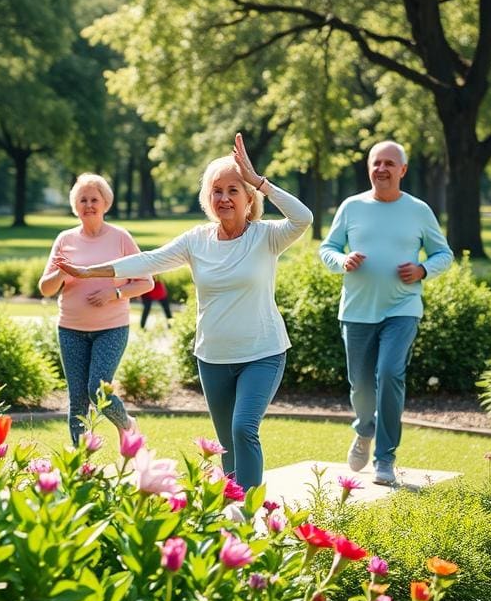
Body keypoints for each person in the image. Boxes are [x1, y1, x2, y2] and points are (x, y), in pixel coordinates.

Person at [56, 134, 312, 490]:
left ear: (248, 198)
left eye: (234, 190)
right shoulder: (197, 240)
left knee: (243, 429)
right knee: (227, 445)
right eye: (216, 191)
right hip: (213, 356)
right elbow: (147, 259)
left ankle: (253, 516)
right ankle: (232, 509)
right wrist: (88, 271)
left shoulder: (267, 237)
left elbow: (303, 218)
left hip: (263, 353)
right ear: (208, 199)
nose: (224, 198)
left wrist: (259, 181)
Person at [319, 140, 453, 486]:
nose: (382, 169)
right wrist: (341, 261)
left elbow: (444, 254)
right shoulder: (351, 207)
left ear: (403, 170)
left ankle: (385, 458)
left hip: (402, 308)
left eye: (389, 164)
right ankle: (365, 430)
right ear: (369, 168)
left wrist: (423, 270)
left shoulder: (419, 210)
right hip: (357, 310)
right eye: (376, 163)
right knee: (361, 387)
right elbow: (328, 248)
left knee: (391, 374)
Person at [39, 174, 153, 445]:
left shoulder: (120, 238)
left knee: (97, 390)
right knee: (77, 398)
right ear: (75, 205)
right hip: (70, 329)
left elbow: (146, 282)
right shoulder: (65, 239)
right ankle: (79, 466)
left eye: (94, 199)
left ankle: (127, 425)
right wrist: (61, 274)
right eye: (83, 200)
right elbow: (46, 288)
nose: (88, 205)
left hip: (111, 329)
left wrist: (114, 293)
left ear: (105, 203)